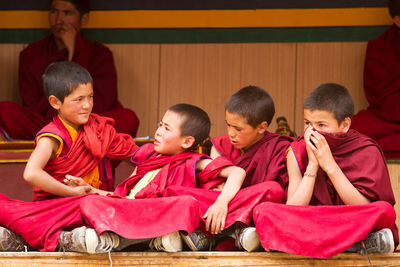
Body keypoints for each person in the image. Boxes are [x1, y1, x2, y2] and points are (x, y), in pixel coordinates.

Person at [0, 102, 270, 254]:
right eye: (159, 125)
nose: (159, 132)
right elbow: (122, 198)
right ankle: (20, 235)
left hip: (152, 214)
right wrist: (89, 190)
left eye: (166, 128)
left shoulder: (192, 162)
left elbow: (237, 171)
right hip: (125, 211)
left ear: (187, 141)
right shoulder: (147, 159)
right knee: (85, 203)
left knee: (183, 202)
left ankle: (118, 239)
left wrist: (221, 203)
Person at [253, 83, 398, 258]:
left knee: (384, 211)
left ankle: (303, 244)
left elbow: (363, 206)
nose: (312, 131)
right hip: (313, 219)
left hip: (347, 219)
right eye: (307, 123)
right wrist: (312, 166)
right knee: (264, 211)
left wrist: (330, 165)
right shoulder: (297, 150)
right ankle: (356, 244)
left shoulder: (366, 150)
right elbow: (293, 207)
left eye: (321, 125)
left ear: (345, 125)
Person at [0, 0, 139, 140]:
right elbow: (33, 104)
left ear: (83, 19)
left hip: (90, 125)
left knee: (128, 118)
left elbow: (103, 103)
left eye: (67, 13)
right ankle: (78, 145)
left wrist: (73, 52)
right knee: (5, 110)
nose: (59, 20)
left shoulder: (99, 55)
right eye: (54, 12)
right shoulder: (32, 54)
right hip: (49, 125)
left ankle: (63, 145)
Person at [23, 61, 138, 201]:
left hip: (100, 204)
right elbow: (31, 173)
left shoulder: (100, 129)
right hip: (62, 205)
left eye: (90, 97)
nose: (87, 105)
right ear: (55, 102)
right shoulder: (52, 137)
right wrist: (71, 193)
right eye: (79, 99)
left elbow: (139, 158)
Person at [211, 86, 294, 190]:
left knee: (272, 189)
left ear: (261, 127)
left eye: (238, 129)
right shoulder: (220, 145)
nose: (230, 133)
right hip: (223, 199)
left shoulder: (279, 149)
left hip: (255, 199)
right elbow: (214, 184)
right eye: (228, 125)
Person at [351, 0, 400, 159]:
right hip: (388, 121)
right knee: (356, 127)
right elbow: (379, 99)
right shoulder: (379, 47)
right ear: (397, 21)